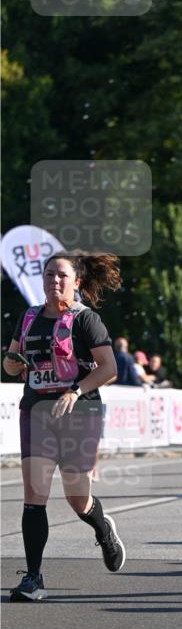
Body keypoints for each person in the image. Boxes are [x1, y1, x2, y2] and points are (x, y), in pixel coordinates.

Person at [3, 253, 126, 602]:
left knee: (77, 498)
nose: (54, 280)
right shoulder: (28, 318)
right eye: (49, 275)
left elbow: (108, 368)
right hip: (37, 412)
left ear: (76, 282)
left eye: (61, 275)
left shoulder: (86, 320)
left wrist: (76, 391)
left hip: (80, 413)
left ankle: (102, 528)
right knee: (34, 496)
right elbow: (11, 365)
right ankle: (33, 578)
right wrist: (12, 364)